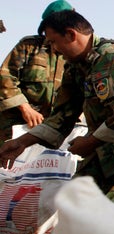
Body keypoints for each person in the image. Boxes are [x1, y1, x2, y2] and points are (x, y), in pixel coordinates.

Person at [0, 10, 114, 221]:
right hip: (107, 142)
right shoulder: (76, 68)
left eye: (55, 42)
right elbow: (61, 117)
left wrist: (89, 143)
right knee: (75, 202)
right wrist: (21, 142)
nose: (54, 50)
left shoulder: (112, 58)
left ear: (71, 34)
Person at [0, 0, 73, 146]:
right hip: (18, 124)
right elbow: (5, 77)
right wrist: (24, 107)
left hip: (56, 128)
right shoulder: (29, 46)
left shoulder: (76, 54)